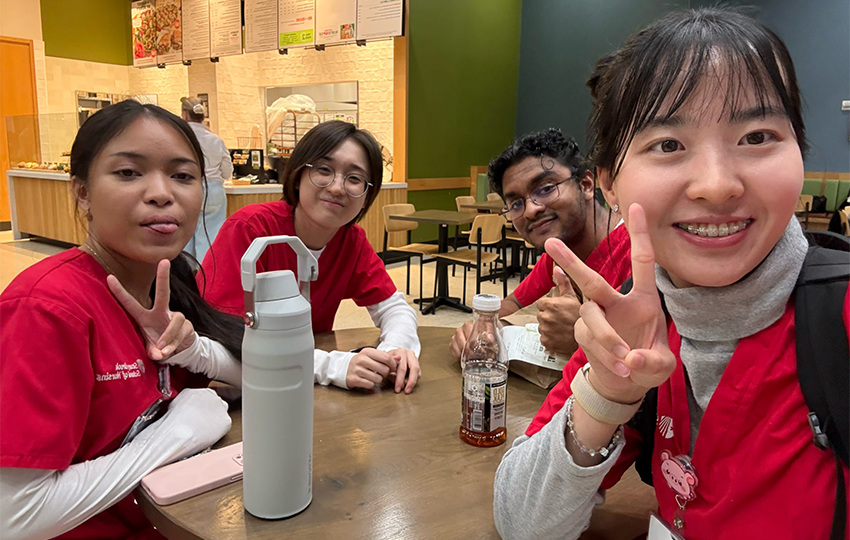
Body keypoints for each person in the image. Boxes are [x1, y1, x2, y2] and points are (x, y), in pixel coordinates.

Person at [494, 8, 849, 540]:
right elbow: (522, 522)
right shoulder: (634, 316)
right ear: (610, 184)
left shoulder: (837, 319)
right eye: (668, 145)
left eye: (756, 136)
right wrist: (609, 393)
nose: (716, 185)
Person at [0, 100, 243, 539]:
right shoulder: (47, 307)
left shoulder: (169, 280)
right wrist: (176, 435)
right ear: (82, 191)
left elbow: (261, 375)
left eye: (183, 176)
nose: (161, 193)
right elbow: (15, 517)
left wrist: (197, 352)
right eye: (129, 173)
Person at [200, 121, 421, 394]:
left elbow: (394, 309)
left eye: (354, 179)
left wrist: (395, 353)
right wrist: (333, 366)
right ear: (298, 175)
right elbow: (224, 338)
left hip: (306, 390)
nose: (337, 188)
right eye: (324, 170)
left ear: (367, 196)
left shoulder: (350, 241)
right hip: (238, 391)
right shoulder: (251, 230)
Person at [450, 129, 631, 360]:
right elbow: (515, 301)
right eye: (515, 203)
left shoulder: (639, 253)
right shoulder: (559, 255)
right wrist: (483, 326)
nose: (531, 210)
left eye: (546, 189)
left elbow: (667, 368)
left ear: (586, 184)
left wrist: (585, 337)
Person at [181, 97, 233, 261]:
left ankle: (187, 274)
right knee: (212, 233)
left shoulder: (180, 138)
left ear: (184, 114)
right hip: (214, 191)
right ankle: (209, 273)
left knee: (185, 233)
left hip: (187, 187)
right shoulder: (215, 140)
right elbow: (227, 171)